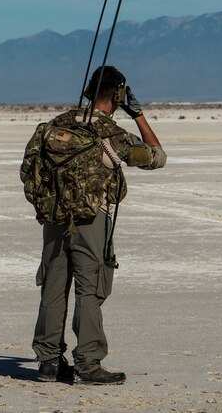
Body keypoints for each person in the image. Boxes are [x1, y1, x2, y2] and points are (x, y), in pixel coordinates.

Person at [30, 66, 166, 385]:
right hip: (92, 219)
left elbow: (29, 170)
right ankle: (88, 362)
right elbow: (157, 157)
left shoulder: (55, 125)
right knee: (89, 288)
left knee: (53, 286)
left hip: (54, 218)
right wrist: (139, 115)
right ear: (118, 96)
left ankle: (49, 362)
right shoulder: (111, 134)